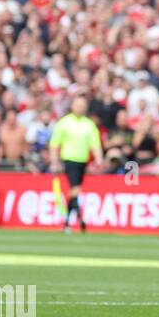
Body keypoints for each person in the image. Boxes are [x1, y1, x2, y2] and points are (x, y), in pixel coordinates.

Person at [49, 95, 104, 234]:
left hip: (82, 162)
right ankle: (79, 218)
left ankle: (68, 223)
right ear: (72, 106)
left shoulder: (89, 124)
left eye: (82, 105)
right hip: (69, 160)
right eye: (78, 105)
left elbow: (95, 144)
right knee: (75, 189)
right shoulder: (64, 123)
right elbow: (55, 144)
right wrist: (54, 161)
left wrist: (99, 159)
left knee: (74, 192)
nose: (80, 108)